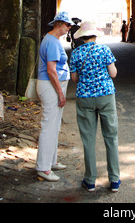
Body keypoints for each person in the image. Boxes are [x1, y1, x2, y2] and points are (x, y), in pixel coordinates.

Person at [70, 20, 121, 193]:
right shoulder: (104, 50)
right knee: (111, 137)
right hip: (106, 96)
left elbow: (74, 79)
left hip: (85, 98)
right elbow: (113, 73)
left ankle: (90, 181)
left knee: (88, 140)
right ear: (95, 34)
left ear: (81, 37)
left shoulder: (76, 54)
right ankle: (114, 180)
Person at [36, 11, 74, 182]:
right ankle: (43, 167)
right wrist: (60, 92)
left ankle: (51, 161)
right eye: (68, 25)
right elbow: (51, 71)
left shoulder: (52, 40)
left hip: (54, 85)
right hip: (51, 86)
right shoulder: (51, 41)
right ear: (59, 24)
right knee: (49, 126)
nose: (69, 28)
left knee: (54, 125)